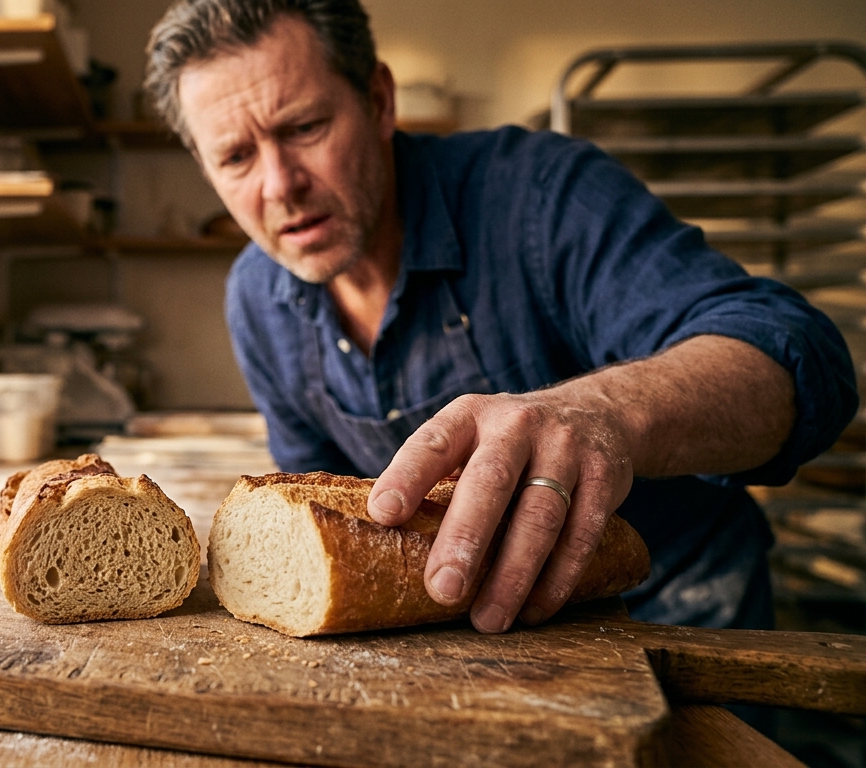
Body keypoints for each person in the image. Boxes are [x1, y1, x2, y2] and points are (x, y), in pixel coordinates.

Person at [144, 0, 858, 636]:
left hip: (681, 611)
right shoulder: (256, 299)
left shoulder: (541, 196)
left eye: (304, 127)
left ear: (380, 100)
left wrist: (604, 411)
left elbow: (798, 354)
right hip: (491, 644)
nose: (280, 186)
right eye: (235, 157)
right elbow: (327, 517)